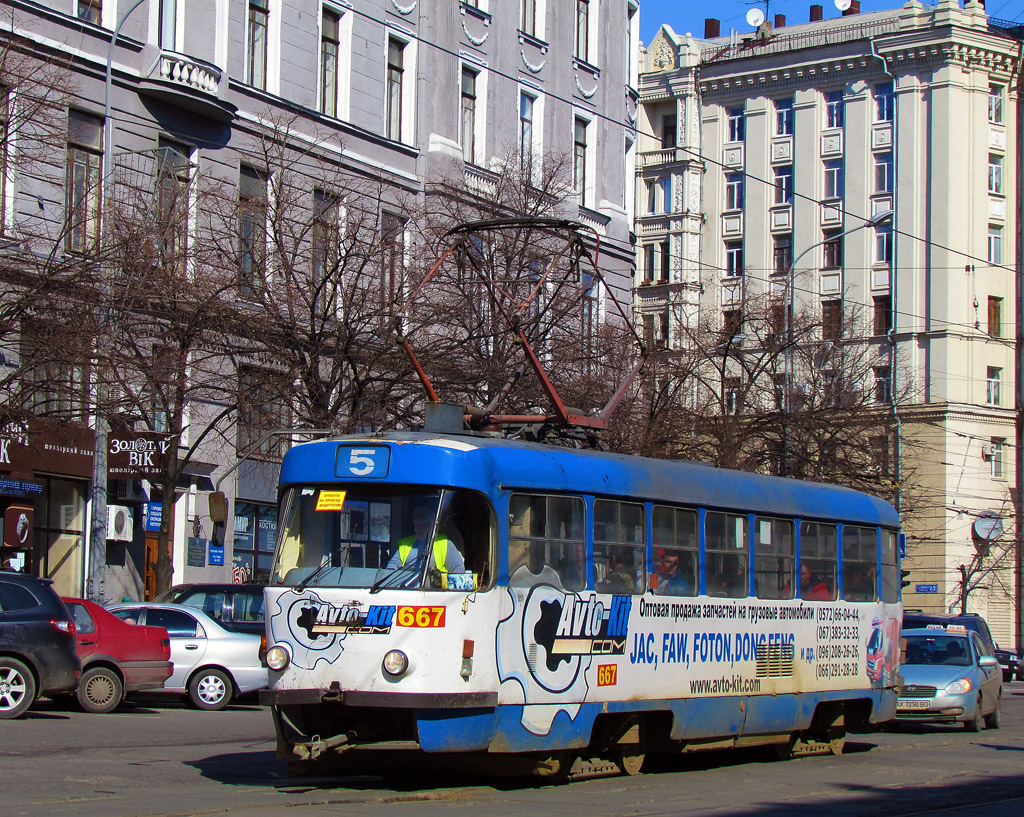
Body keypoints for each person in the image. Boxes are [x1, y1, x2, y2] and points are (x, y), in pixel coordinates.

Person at [387, 507, 465, 577]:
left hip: (437, 591)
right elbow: (391, 567)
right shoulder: (405, 544)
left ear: (432, 526)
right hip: (408, 590)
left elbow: (458, 570)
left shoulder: (445, 544)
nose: (420, 530)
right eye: (417, 525)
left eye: (424, 525)